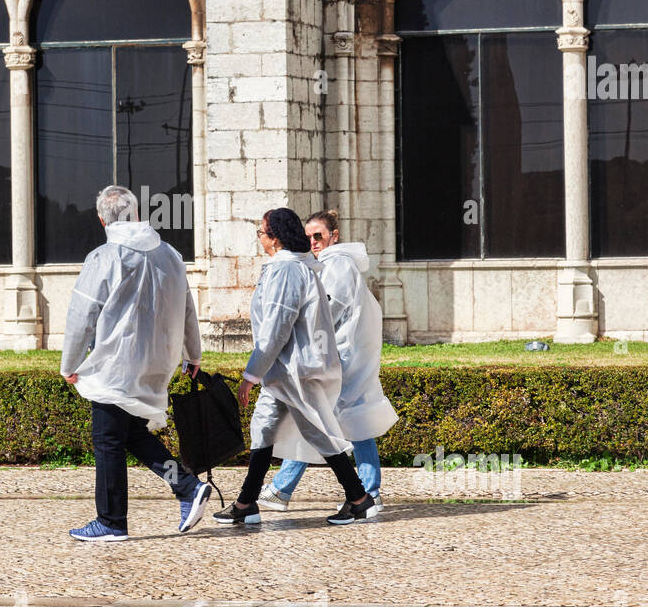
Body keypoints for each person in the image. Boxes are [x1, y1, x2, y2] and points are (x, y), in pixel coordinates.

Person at [61, 185, 213, 541]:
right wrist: (194, 354)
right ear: (139, 214)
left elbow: (82, 315)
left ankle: (111, 522)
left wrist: (69, 363)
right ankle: (187, 487)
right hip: (158, 362)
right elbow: (188, 308)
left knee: (107, 441)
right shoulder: (171, 255)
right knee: (130, 435)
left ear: (102, 219)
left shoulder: (105, 256)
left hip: (115, 365)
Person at [212, 207, 378, 527]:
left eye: (261, 233)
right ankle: (247, 503)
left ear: (274, 238)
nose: (260, 239)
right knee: (263, 428)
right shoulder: (297, 267)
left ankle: (359, 498)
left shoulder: (286, 270)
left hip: (293, 370)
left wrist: (251, 375)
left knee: (317, 432)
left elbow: (276, 328)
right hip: (284, 370)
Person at [257, 209, 398, 512]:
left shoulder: (338, 265)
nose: (313, 241)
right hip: (344, 354)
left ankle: (283, 488)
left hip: (340, 356)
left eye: (318, 235)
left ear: (334, 236)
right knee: (351, 421)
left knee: (318, 420)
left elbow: (327, 310)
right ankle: (368, 491)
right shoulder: (333, 264)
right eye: (308, 237)